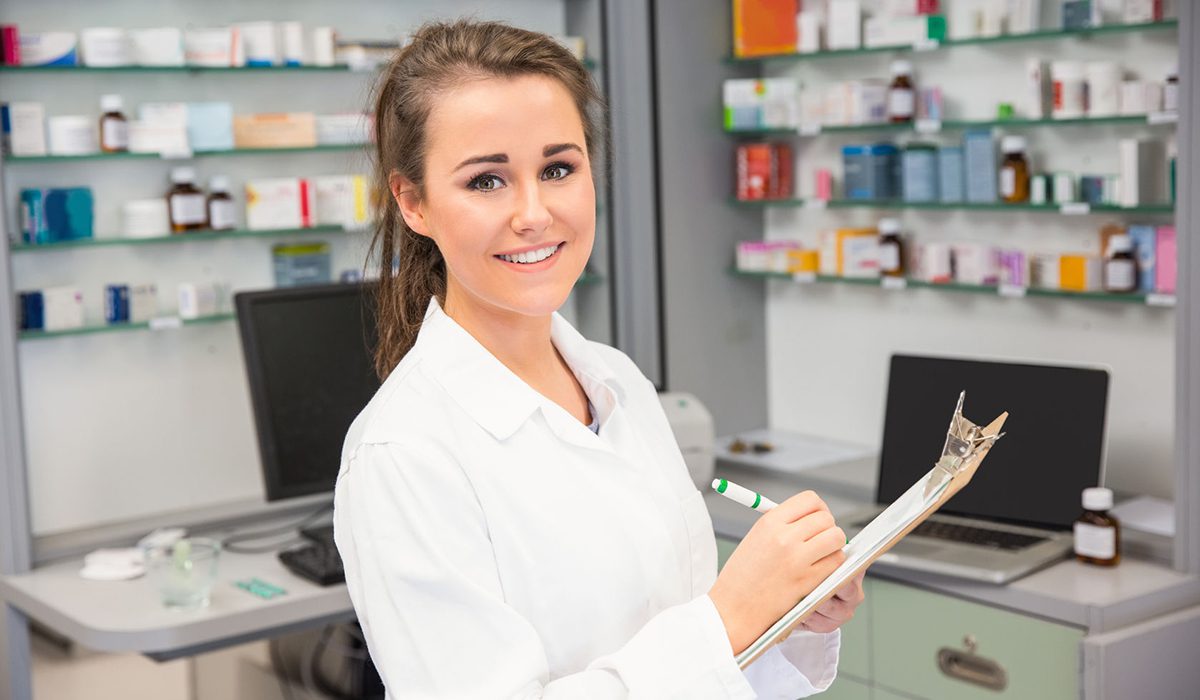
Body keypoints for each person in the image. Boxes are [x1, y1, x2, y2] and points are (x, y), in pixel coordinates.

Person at [333, 19, 865, 698]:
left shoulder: (619, 383)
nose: (534, 213)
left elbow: (699, 662)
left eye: (558, 168)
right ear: (414, 203)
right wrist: (727, 618)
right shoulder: (402, 454)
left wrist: (789, 615)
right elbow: (701, 641)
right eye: (487, 181)